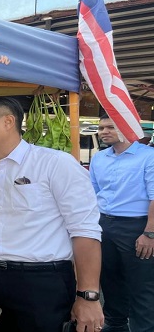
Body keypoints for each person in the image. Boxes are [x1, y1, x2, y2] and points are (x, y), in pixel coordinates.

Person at [0, 97, 104, 332]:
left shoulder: (55, 164)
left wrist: (88, 296)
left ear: (8, 122)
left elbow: (85, 230)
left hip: (41, 282)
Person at [89, 115, 154, 332]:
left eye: (110, 127)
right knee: (109, 279)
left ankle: (143, 328)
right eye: (101, 128)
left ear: (126, 128)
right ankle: (116, 324)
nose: (103, 131)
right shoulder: (99, 158)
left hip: (137, 227)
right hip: (104, 225)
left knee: (141, 285)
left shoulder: (148, 157)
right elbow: (94, 192)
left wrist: (150, 233)